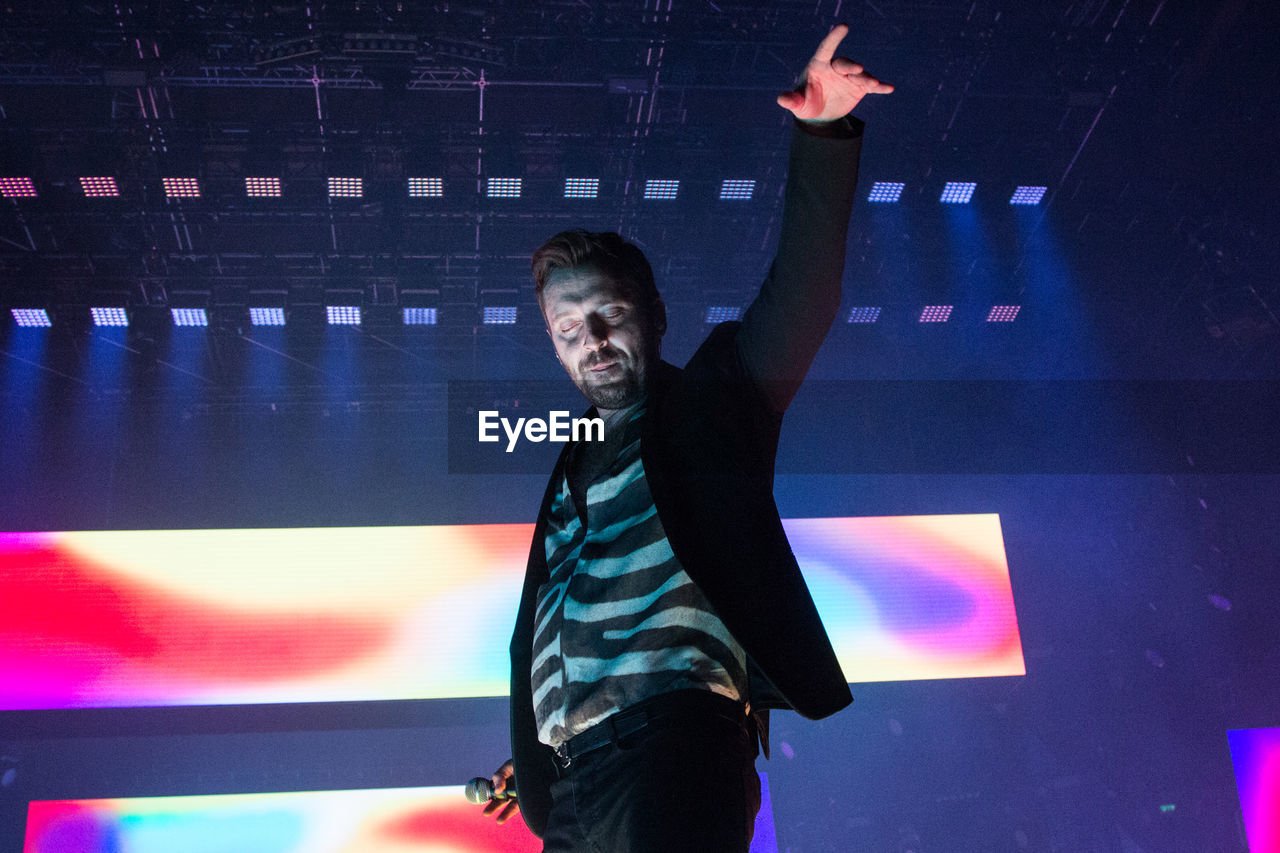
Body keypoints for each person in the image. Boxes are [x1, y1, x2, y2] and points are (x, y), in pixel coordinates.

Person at [481, 24, 893, 852]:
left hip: (674, 752)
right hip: (572, 785)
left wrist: (824, 132)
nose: (591, 339)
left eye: (610, 315)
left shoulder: (713, 407)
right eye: (568, 330)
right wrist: (538, 750)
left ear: (655, 317)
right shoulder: (568, 476)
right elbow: (565, 623)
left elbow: (802, 296)